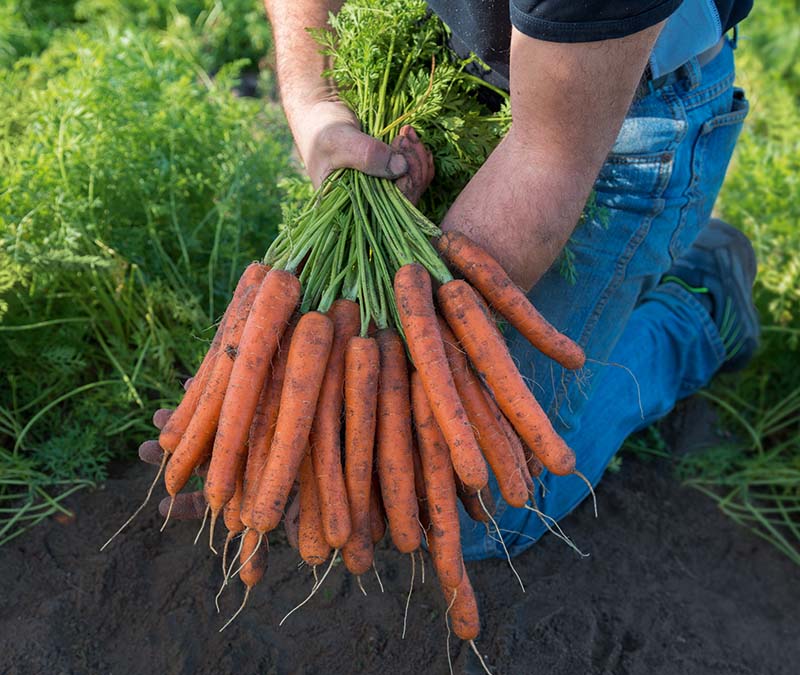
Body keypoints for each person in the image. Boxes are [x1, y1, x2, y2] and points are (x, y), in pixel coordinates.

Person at [142, 0, 760, 560]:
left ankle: (697, 306)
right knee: (386, 474)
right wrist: (320, 110)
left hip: (611, 114)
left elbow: (545, 160)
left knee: (477, 512)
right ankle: (627, 275)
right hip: (449, 67)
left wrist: (353, 391)